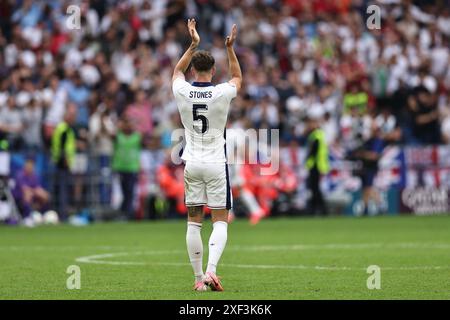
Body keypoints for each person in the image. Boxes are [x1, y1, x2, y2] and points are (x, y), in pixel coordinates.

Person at [172, 19, 242, 291]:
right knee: (221, 221)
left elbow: (176, 72)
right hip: (216, 164)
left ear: (193, 69)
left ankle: (198, 279)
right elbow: (237, 78)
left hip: (192, 163)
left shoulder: (182, 90)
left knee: (193, 222)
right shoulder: (220, 92)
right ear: (213, 71)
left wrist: (192, 44)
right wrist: (230, 48)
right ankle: (212, 271)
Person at [111, 116, 142, 220]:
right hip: (120, 168)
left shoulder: (137, 136)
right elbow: (112, 134)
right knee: (122, 192)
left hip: (132, 168)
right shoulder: (118, 136)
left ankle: (127, 213)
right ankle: (123, 212)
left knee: (130, 191)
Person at [51, 104, 77, 221]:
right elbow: (62, 147)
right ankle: (63, 215)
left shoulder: (63, 128)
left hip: (60, 163)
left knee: (61, 189)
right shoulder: (64, 129)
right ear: (67, 116)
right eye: (72, 116)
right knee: (63, 190)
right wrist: (65, 160)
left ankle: (61, 214)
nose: (74, 118)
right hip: (62, 164)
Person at [305, 113, 330, 216]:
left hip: (316, 165)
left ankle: (319, 209)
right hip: (317, 165)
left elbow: (314, 151)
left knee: (315, 189)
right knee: (315, 188)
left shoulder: (316, 135)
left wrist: (307, 159)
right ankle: (318, 209)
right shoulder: (319, 134)